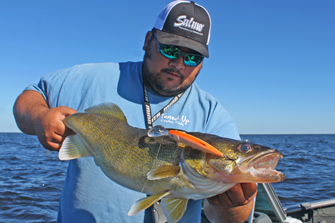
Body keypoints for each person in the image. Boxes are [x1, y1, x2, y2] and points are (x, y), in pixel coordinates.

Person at [13, 1, 257, 222]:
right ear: (148, 40)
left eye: (192, 57)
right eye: (171, 49)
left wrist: (233, 205)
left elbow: (227, 218)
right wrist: (39, 118)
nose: (179, 64)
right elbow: (32, 96)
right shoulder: (94, 77)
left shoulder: (212, 114)